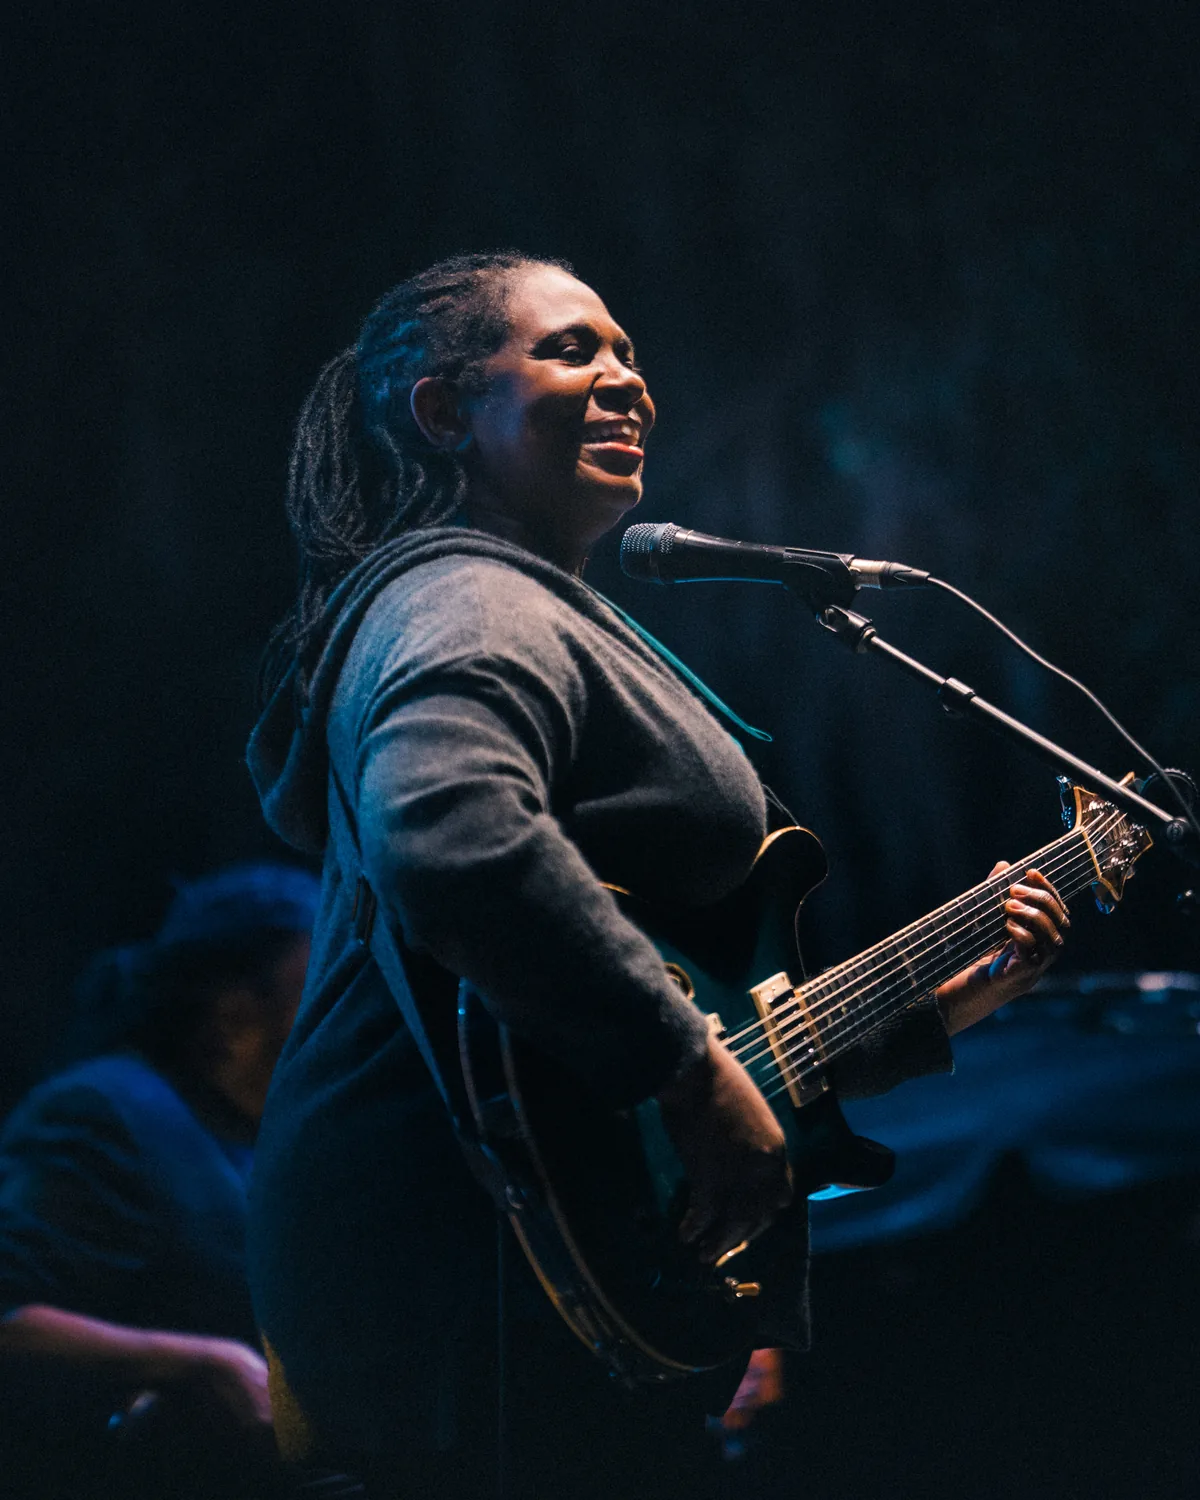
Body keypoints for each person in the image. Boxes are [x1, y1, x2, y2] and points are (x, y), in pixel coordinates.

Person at [246, 252, 1070, 1499]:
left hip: (530, 1294)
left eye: (630, 351)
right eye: (573, 350)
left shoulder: (523, 606)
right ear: (444, 413)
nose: (627, 378)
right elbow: (451, 834)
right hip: (482, 1306)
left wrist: (953, 1003)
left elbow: (704, 1029)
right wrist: (682, 1069)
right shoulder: (463, 601)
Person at [0, 862, 319, 1499]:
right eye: (314, 989)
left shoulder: (261, 1141)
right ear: (232, 1017)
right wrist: (205, 1362)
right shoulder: (105, 1111)